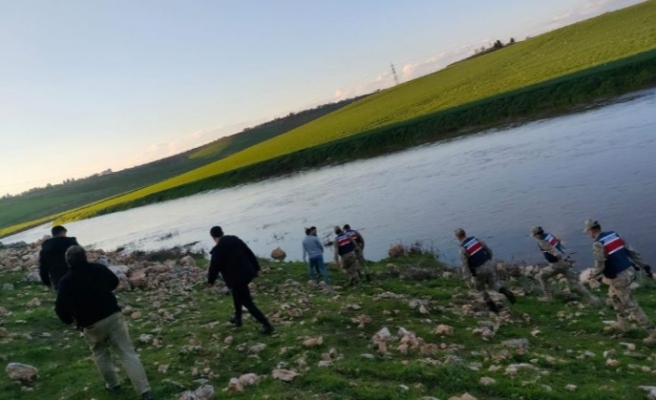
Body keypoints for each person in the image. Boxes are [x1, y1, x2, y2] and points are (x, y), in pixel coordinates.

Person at [55, 246, 153, 400]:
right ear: (85, 257)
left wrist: (72, 321)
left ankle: (113, 384)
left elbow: (60, 308)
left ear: (68, 262)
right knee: (127, 352)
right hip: (112, 315)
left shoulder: (65, 281)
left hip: (90, 324)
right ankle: (144, 391)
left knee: (100, 353)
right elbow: (114, 282)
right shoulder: (98, 268)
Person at [583, 219, 656, 343]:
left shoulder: (597, 243)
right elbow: (632, 252)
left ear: (591, 231)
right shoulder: (613, 235)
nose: (588, 234)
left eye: (588, 232)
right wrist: (646, 268)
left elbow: (600, 264)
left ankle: (652, 333)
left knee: (631, 305)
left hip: (618, 278)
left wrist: (592, 276)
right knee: (613, 296)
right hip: (630, 271)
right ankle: (623, 324)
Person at [208, 226, 274, 334]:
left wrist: (211, 281)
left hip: (236, 278)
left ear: (213, 237)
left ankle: (267, 325)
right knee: (236, 294)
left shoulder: (218, 250)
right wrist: (256, 267)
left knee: (247, 302)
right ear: (222, 233)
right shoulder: (235, 239)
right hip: (248, 273)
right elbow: (249, 252)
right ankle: (238, 318)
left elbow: (214, 267)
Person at [530, 226, 601, 305]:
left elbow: (553, 251)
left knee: (542, 277)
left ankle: (548, 298)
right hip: (565, 263)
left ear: (537, 235)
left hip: (556, 264)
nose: (535, 237)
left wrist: (564, 258)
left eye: (534, 235)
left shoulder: (542, 242)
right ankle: (592, 299)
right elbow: (558, 242)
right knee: (575, 282)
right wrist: (566, 258)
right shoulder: (549, 236)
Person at [455, 228, 516, 313]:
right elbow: (489, 251)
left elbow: (464, 265)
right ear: (465, 233)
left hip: (478, 270)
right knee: (493, 283)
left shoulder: (463, 249)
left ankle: (492, 307)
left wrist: (467, 278)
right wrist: (488, 260)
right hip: (488, 264)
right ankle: (506, 291)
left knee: (480, 289)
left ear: (457, 237)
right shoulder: (477, 240)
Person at [39, 225, 79, 290]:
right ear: (63, 232)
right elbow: (81, 258)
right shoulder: (71, 243)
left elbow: (43, 268)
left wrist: (47, 283)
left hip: (58, 281)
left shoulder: (45, 249)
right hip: (76, 277)